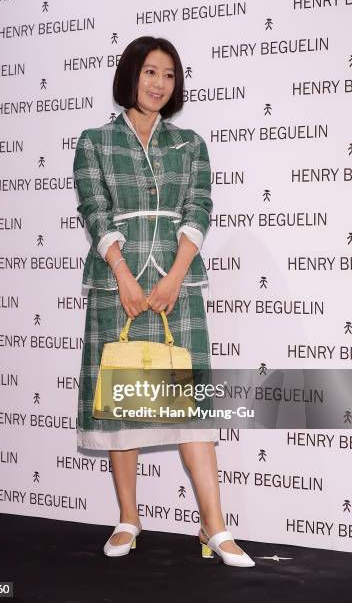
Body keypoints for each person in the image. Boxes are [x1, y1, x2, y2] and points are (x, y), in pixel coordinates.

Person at [73, 36, 255, 567]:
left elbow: (199, 207)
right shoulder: (95, 141)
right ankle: (128, 519)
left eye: (169, 75)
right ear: (131, 75)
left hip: (180, 286)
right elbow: (95, 208)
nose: (158, 84)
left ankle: (214, 529)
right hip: (118, 285)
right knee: (123, 405)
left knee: (191, 412)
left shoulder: (191, 143)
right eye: (150, 72)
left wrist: (175, 276)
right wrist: (125, 277)